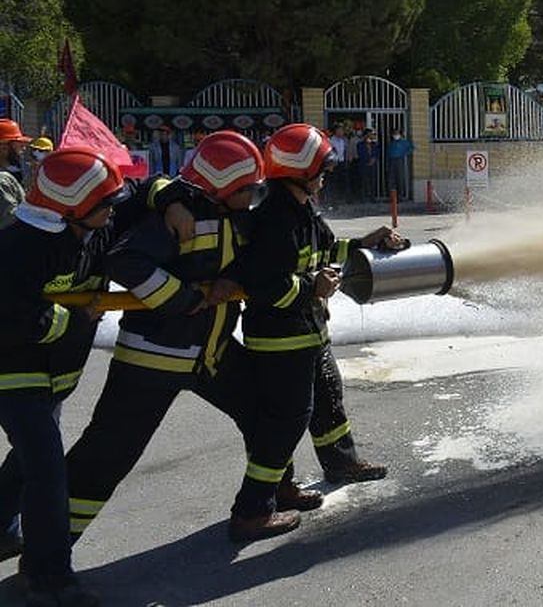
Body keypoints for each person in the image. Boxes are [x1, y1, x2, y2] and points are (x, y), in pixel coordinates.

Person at [64, 131, 304, 545]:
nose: (252, 197)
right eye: (246, 189)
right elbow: (126, 260)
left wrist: (232, 277)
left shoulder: (233, 214)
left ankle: (260, 504)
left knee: (266, 414)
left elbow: (246, 255)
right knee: (107, 456)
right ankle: (47, 552)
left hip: (211, 352)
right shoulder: (175, 217)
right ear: (221, 188)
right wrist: (181, 298)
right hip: (154, 358)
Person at [226, 123, 404, 488]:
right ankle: (271, 492)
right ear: (300, 173)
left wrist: (367, 243)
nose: (326, 176)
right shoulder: (275, 219)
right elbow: (266, 285)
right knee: (286, 417)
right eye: (321, 171)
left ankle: (341, 463)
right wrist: (313, 288)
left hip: (308, 333)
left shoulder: (302, 210)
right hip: (281, 341)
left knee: (329, 400)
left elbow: (327, 249)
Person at [0, 148, 129, 607]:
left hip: (54, 372)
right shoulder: (17, 248)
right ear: (71, 207)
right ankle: (48, 576)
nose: (112, 209)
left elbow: (140, 207)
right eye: (104, 201)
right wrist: (74, 320)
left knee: (31, 457)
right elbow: (15, 320)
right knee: (48, 469)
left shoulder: (89, 229)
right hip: (12, 374)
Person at [385, 130, 413, 200]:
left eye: (397, 134)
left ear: (400, 135)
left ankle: (400, 195)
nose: (395, 135)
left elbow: (411, 148)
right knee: (391, 179)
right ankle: (392, 196)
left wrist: (404, 153)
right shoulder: (392, 143)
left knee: (399, 178)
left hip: (399, 160)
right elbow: (388, 153)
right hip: (391, 161)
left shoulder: (404, 142)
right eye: (394, 134)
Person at [0, 118, 30, 185]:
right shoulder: (2, 180)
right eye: (19, 145)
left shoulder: (18, 169)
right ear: (3, 146)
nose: (24, 148)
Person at [355, 128, 378, 201]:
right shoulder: (360, 144)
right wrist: (367, 161)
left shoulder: (374, 144)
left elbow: (377, 153)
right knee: (364, 181)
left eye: (371, 134)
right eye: (369, 134)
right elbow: (360, 154)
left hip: (372, 165)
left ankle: (372, 197)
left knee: (372, 181)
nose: (370, 136)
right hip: (363, 165)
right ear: (365, 135)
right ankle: (363, 197)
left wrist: (373, 159)